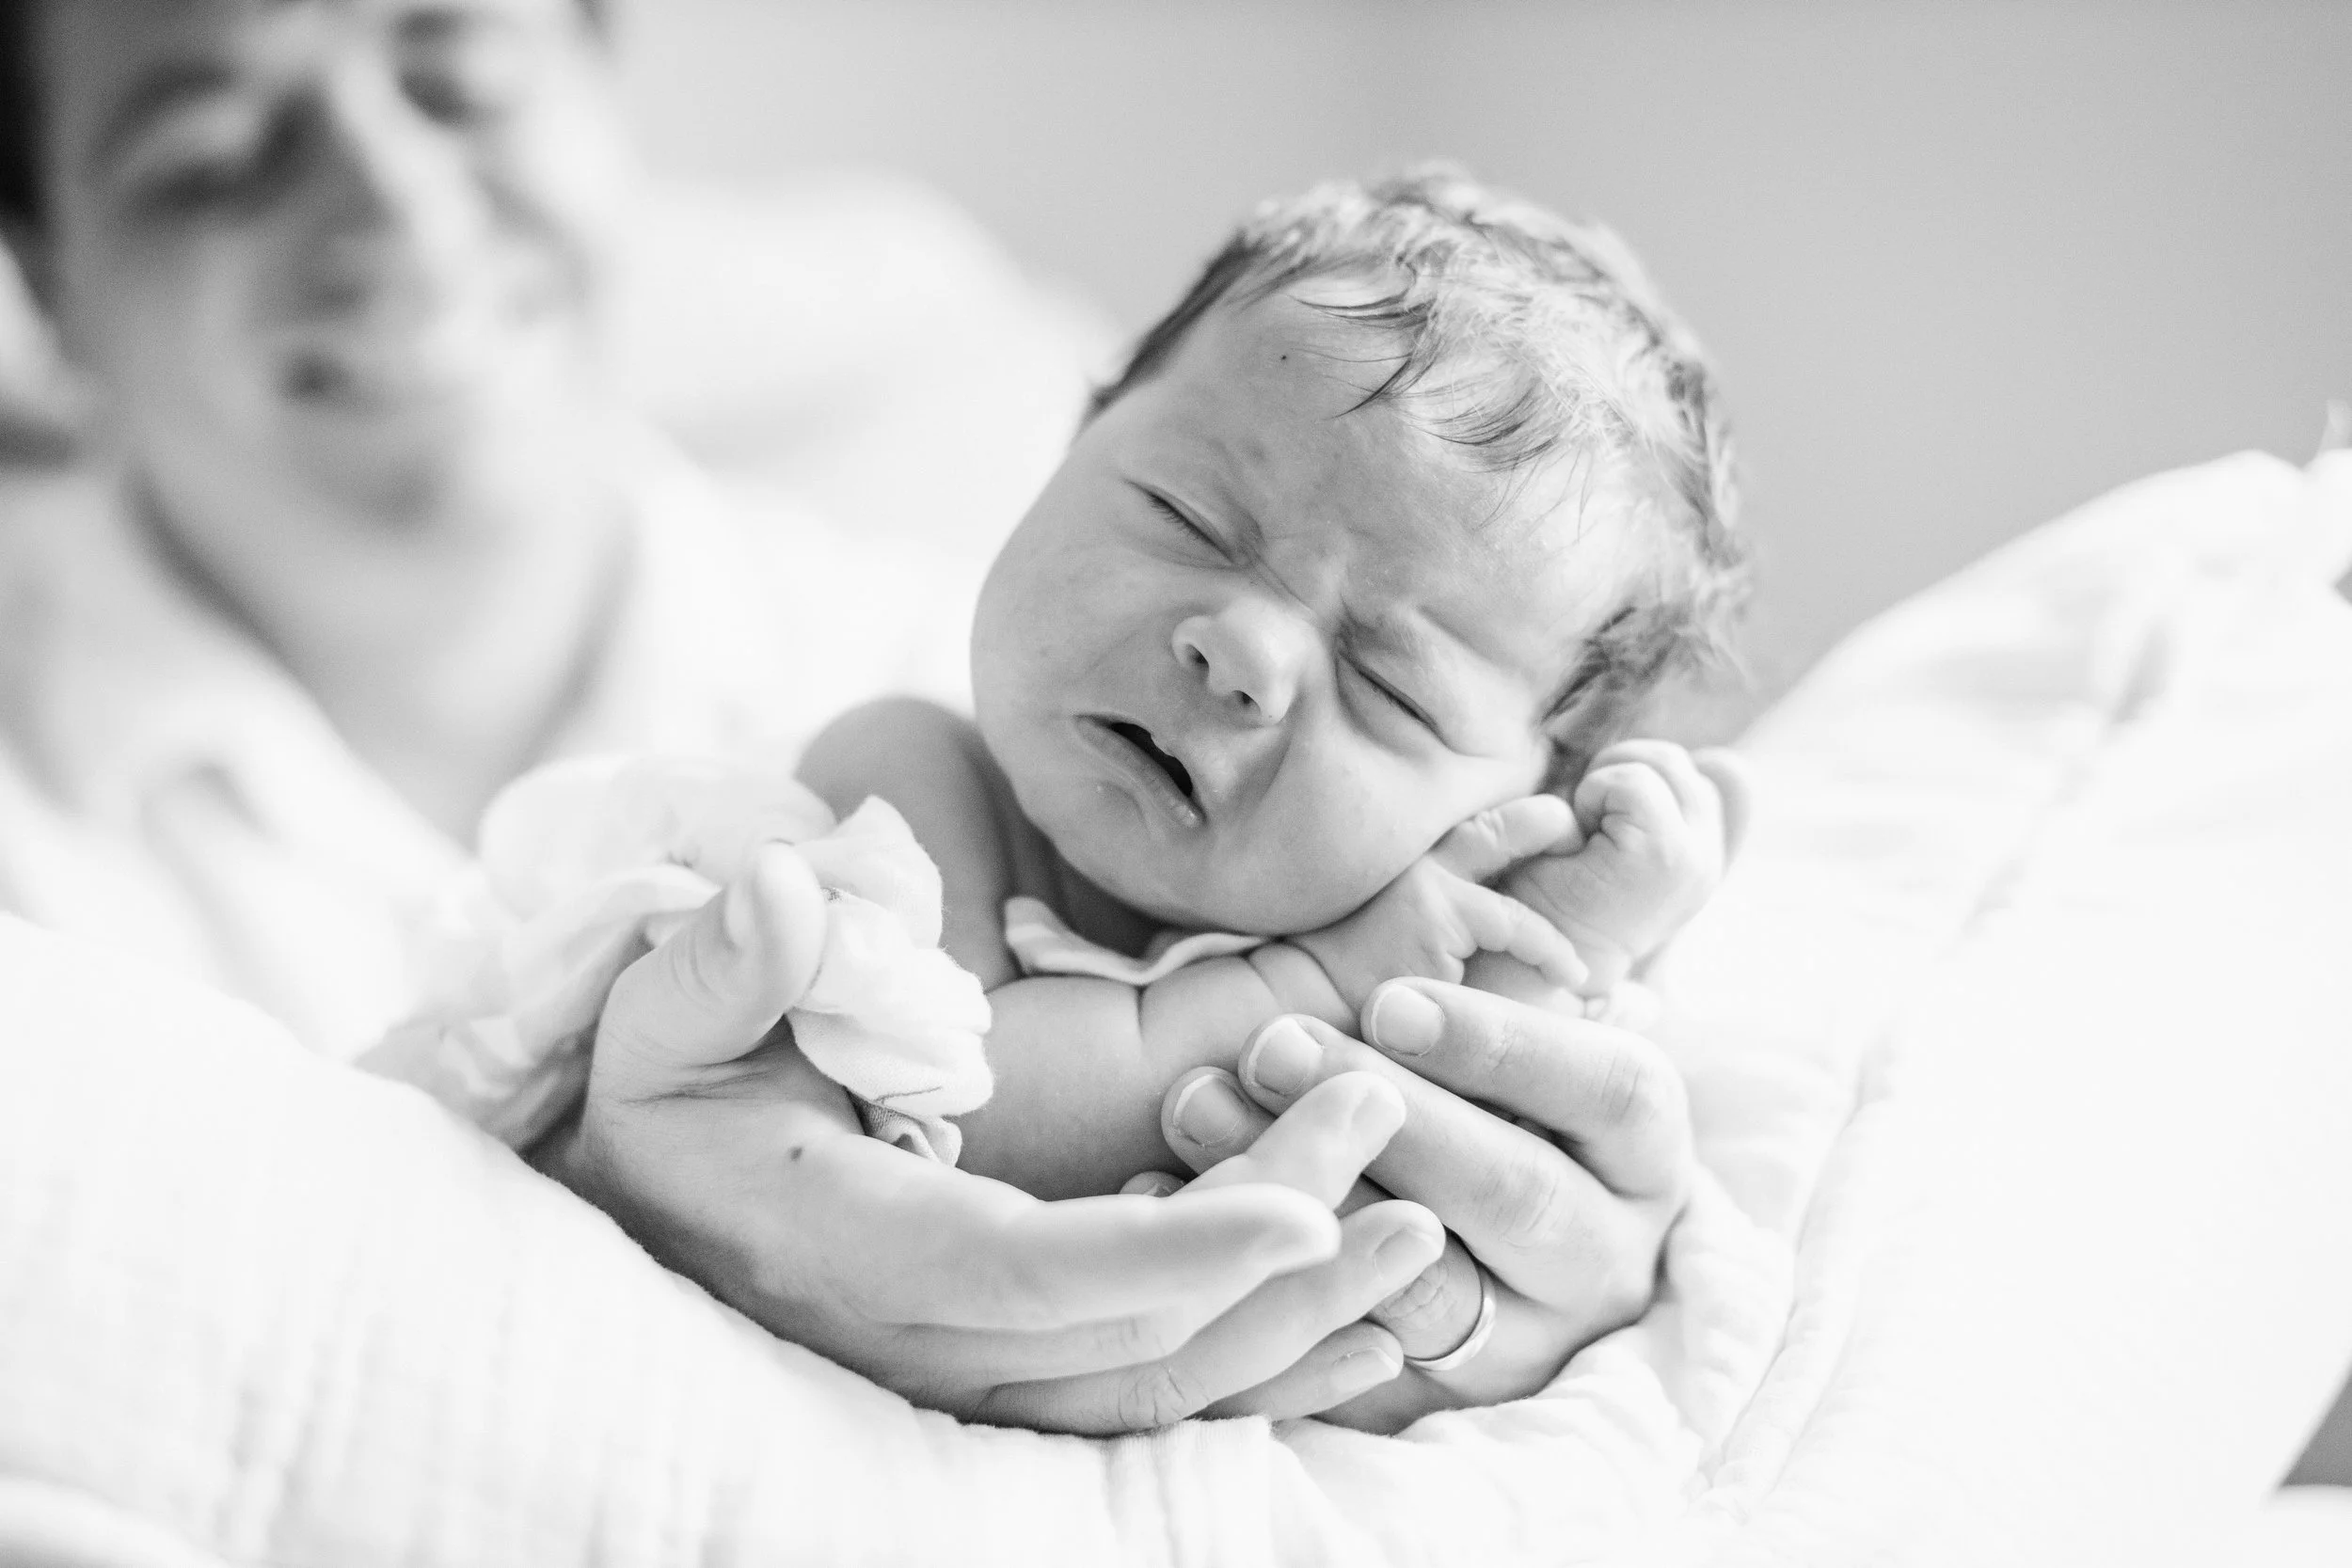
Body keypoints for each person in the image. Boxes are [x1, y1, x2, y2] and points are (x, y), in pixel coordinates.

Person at [0, 0, 1702, 1434]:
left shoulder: (921, 592)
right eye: (210, 153)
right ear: (45, 284)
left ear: (601, 94)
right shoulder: (937, 749)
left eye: (458, 73)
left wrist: (1540, 1291)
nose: (385, 195)